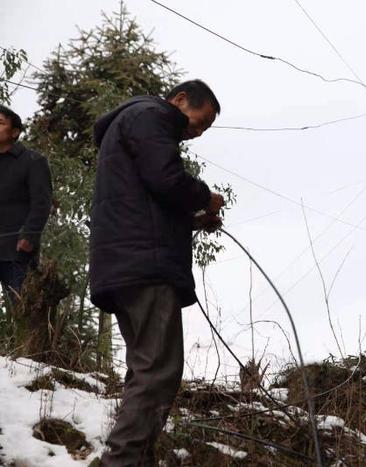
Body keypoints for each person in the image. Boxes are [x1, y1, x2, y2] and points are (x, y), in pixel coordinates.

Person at [90, 80, 224, 465]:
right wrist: (204, 196)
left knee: (146, 368)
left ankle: (137, 458)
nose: (196, 133)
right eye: (200, 122)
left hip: (125, 262)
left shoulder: (131, 125)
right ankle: (123, 461)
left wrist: (195, 219)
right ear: (180, 100)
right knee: (158, 372)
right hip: (145, 268)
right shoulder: (152, 115)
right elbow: (166, 178)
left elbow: (150, 201)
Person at [0, 105, 52, 305]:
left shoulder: (32, 161)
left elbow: (42, 202)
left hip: (17, 252)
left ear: (14, 132)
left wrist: (29, 236)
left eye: (0, 123)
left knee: (24, 311)